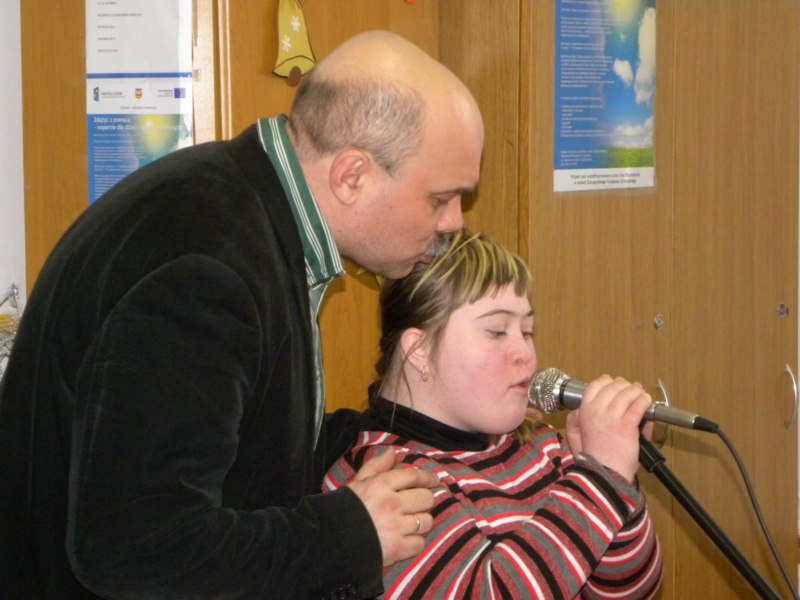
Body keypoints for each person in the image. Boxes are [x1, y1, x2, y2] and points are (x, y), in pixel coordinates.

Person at [0, 31, 484, 599]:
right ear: (352, 176)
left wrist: (422, 427)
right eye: (440, 198)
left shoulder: (243, 208)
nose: (454, 222)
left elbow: (244, 442)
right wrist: (350, 533)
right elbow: (137, 547)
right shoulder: (208, 267)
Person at [323, 230, 664, 599]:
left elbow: (630, 591)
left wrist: (617, 481)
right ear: (419, 349)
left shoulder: (543, 446)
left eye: (527, 331)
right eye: (497, 331)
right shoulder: (387, 480)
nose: (525, 354)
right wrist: (601, 480)